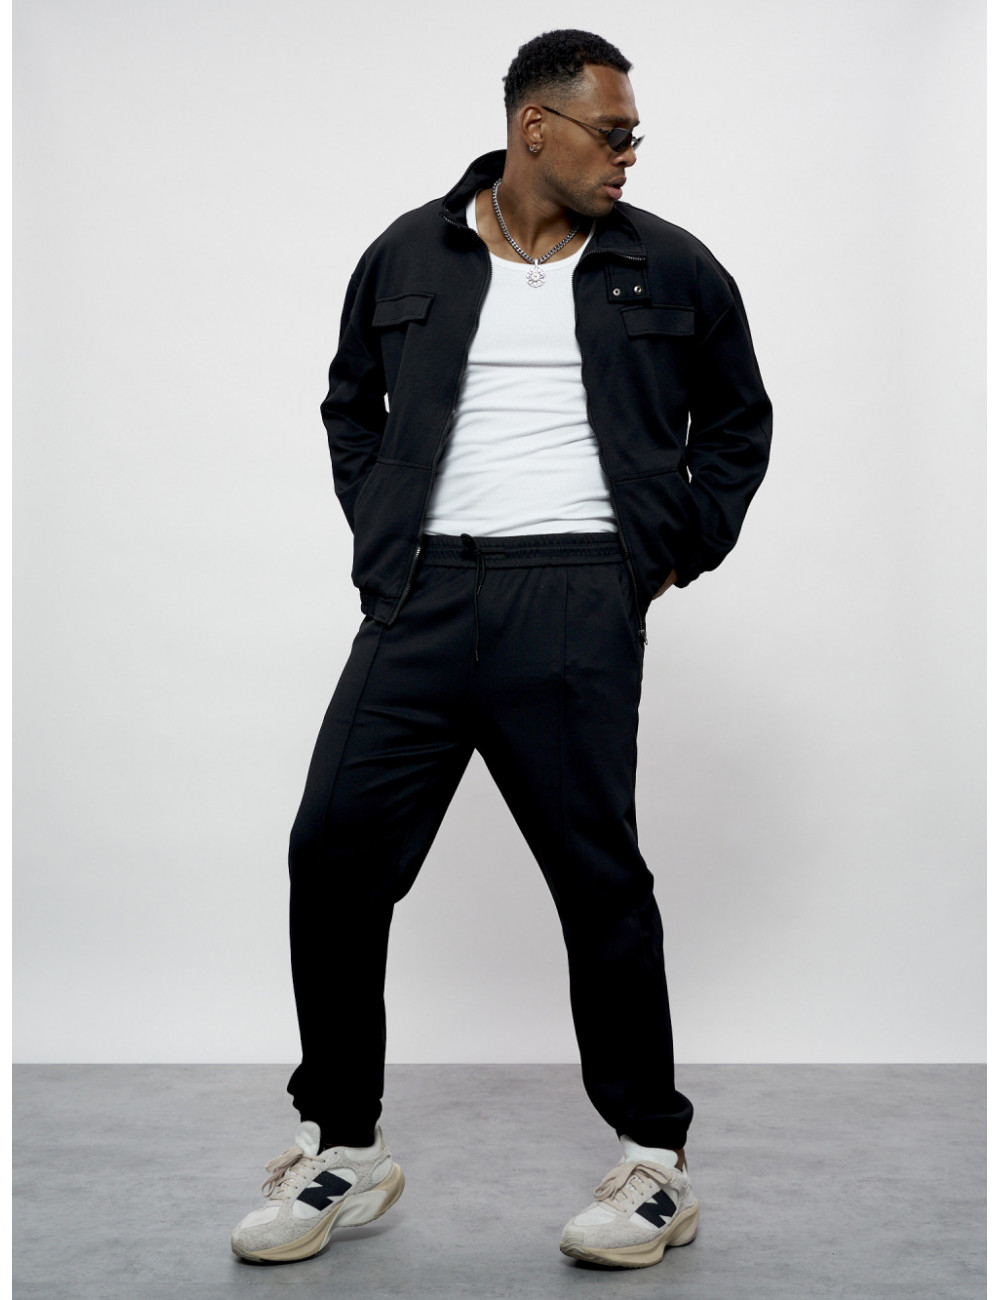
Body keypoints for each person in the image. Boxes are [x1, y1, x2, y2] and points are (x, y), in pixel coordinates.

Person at [231, 28, 771, 1271]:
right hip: (421, 596)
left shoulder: (672, 267)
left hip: (576, 594)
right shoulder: (407, 252)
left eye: (633, 136)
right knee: (332, 851)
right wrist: (383, 531)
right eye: (612, 133)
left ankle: (654, 1161)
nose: (628, 155)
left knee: (597, 878)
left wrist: (667, 551)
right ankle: (344, 1146)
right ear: (536, 127)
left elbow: (738, 421)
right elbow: (350, 405)